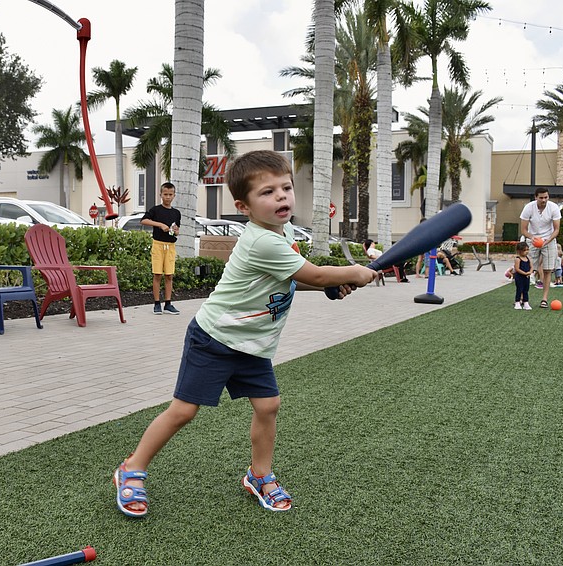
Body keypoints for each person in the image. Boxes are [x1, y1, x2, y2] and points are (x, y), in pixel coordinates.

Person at [113, 150, 377, 517]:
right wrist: (354, 273)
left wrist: (328, 289)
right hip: (215, 339)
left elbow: (295, 280)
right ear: (245, 206)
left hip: (252, 346)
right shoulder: (262, 241)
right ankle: (132, 468)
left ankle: (259, 474)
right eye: (267, 192)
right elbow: (314, 274)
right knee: (184, 411)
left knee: (268, 406)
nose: (282, 196)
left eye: (285, 187)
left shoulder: (282, 236)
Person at [141, 182, 182, 315]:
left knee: (169, 275)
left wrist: (175, 231)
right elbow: (144, 220)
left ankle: (168, 304)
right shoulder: (155, 210)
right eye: (165, 194)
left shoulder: (176, 213)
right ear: (161, 195)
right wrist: (160, 225)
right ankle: (157, 303)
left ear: (174, 195)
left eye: (170, 194)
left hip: (170, 246)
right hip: (158, 245)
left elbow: (177, 231)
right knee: (157, 274)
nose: (168, 197)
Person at [520, 187, 561, 307]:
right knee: (527, 270)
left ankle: (544, 299)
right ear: (536, 197)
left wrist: (547, 240)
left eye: (546, 197)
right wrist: (532, 238)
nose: (544, 200)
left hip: (549, 240)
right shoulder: (528, 208)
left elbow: (557, 229)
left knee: (548, 270)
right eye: (541, 197)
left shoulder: (553, 207)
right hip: (532, 240)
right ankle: (522, 297)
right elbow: (523, 229)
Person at [513, 241, 533, 310]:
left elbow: (531, 267)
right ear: (519, 251)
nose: (526, 252)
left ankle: (526, 302)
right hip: (519, 277)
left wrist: (530, 272)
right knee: (519, 289)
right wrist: (525, 273)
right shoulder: (518, 259)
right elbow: (517, 269)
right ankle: (517, 301)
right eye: (524, 250)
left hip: (527, 277)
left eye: (527, 250)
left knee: (526, 290)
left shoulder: (528, 259)